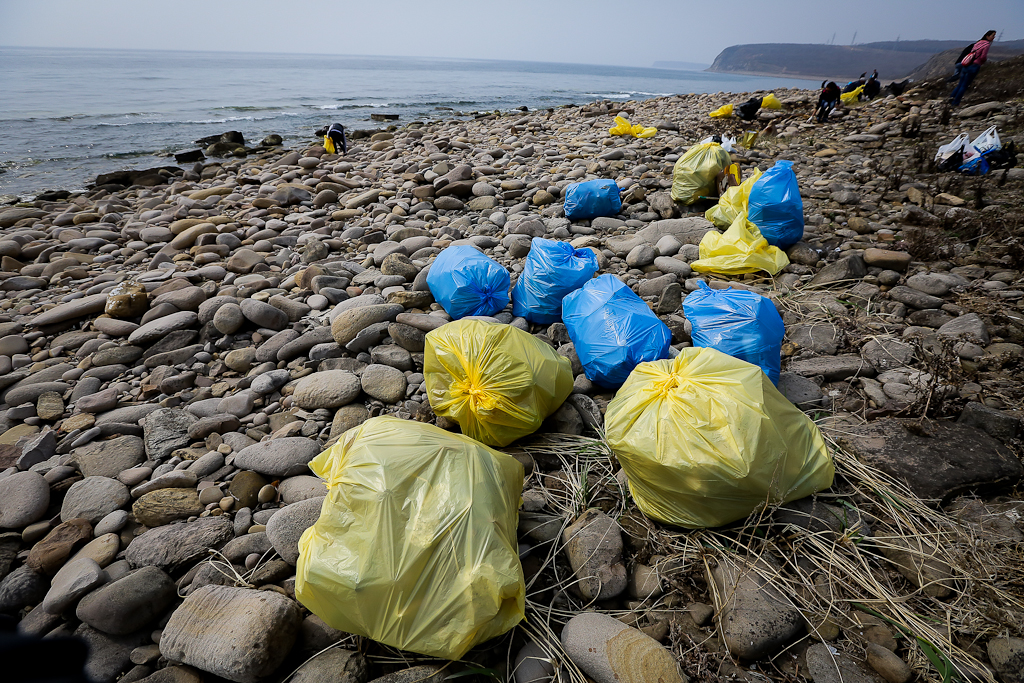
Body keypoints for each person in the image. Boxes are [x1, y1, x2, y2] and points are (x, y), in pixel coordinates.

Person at [951, 30, 996, 106]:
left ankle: (951, 98)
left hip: (967, 64)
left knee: (960, 84)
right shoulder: (987, 44)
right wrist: (982, 62)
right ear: (987, 36)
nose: (993, 38)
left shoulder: (978, 43)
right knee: (964, 85)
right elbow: (983, 56)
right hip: (974, 66)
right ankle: (955, 102)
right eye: (992, 36)